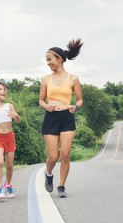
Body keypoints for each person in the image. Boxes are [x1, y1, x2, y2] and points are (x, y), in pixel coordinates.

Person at [39, 38, 83, 198]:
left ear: (59, 58)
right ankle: (49, 173)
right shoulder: (45, 79)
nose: (48, 63)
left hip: (67, 117)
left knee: (65, 154)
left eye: (49, 59)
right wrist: (46, 106)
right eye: (46, 60)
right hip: (51, 117)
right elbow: (41, 100)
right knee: (53, 156)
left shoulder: (73, 79)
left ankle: (62, 187)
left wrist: (75, 106)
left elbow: (80, 99)